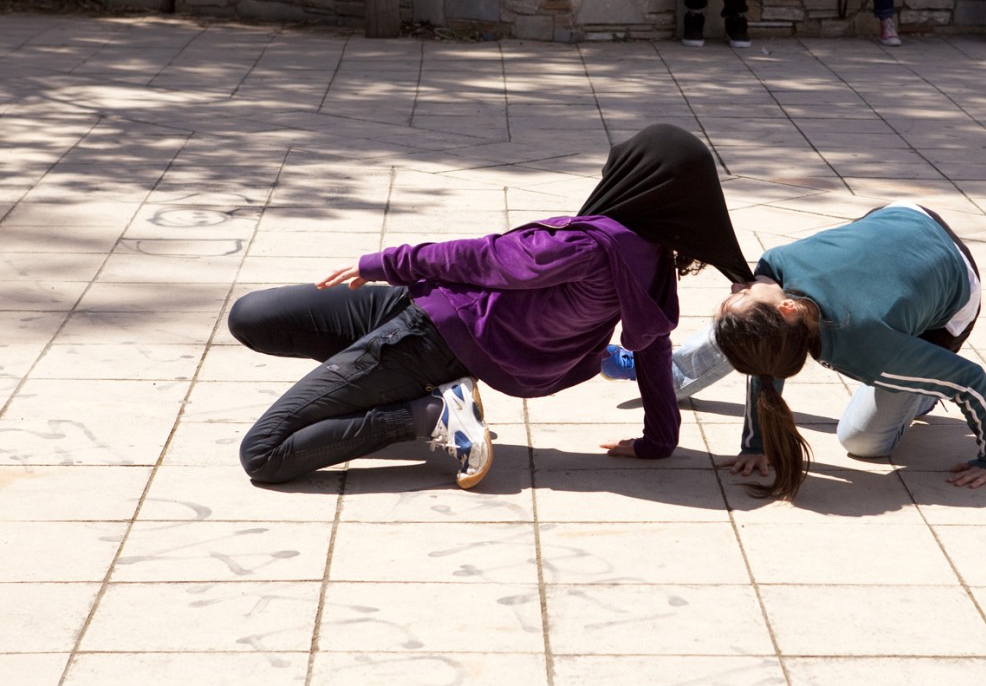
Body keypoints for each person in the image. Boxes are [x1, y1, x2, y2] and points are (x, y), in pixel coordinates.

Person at [232, 124, 754, 489]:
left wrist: (384, 261)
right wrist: (660, 439)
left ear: (643, 180)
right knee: (251, 316)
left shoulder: (590, 246)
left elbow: (484, 258)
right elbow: (654, 348)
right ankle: (386, 395)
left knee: (263, 454)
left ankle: (432, 415)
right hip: (417, 305)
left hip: (424, 340)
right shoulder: (651, 261)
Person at [606, 203, 986, 501]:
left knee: (862, 442)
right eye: (740, 292)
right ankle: (663, 373)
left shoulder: (870, 346)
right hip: (895, 226)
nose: (736, 287)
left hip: (950, 280)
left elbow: (970, 379)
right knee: (745, 327)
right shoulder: (779, 281)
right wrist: (756, 445)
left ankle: (922, 392)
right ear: (787, 308)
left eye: (740, 291)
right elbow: (766, 354)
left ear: (788, 308)